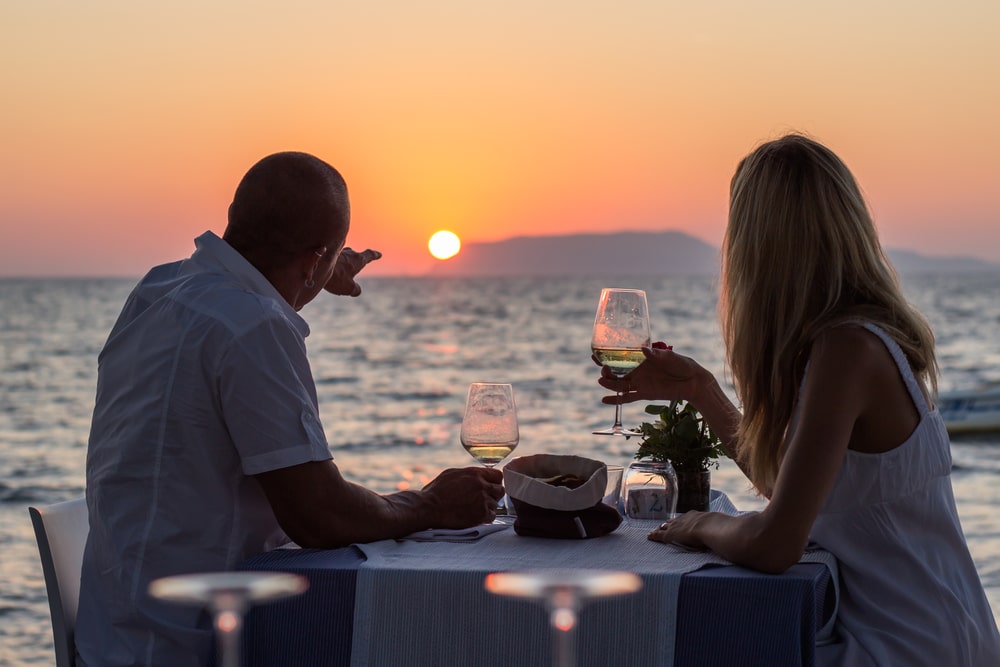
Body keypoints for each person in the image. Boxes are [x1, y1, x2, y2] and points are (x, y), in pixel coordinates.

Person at [76, 152, 504, 666]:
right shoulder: (254, 327)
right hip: (198, 643)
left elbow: (255, 291)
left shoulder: (159, 289)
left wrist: (316, 269)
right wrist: (432, 503)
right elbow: (318, 517)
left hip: (116, 633)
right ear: (311, 260)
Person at [601, 134, 1000, 665]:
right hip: (943, 633)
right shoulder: (859, 340)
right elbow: (793, 491)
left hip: (903, 647)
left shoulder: (848, 350)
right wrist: (699, 390)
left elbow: (774, 544)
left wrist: (701, 525)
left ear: (759, 246)